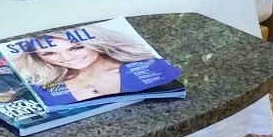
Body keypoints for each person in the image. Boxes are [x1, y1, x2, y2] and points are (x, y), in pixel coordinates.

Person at [9, 26, 160, 102]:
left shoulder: (149, 67)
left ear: (98, 44)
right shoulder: (41, 87)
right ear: (39, 58)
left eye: (76, 48)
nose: (67, 58)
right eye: (49, 53)